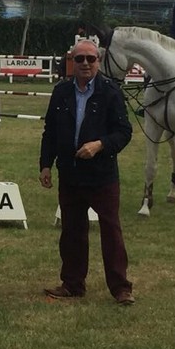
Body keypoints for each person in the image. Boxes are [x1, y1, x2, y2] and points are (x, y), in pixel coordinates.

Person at [39, 38, 135, 305]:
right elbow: (50, 132)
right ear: (72, 61)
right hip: (69, 174)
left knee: (111, 231)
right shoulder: (61, 92)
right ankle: (72, 284)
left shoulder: (111, 92)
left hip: (102, 174)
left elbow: (124, 132)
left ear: (98, 62)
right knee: (71, 231)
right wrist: (45, 164)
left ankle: (120, 288)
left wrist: (100, 145)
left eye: (90, 59)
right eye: (79, 59)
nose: (84, 64)